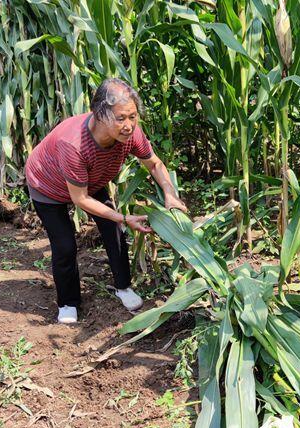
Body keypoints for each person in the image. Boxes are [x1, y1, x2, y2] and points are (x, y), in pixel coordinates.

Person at [25, 78, 187, 324]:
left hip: (91, 180)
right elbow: (80, 199)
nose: (129, 125)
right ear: (99, 115)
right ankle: (68, 303)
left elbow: (154, 163)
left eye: (133, 117)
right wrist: (124, 216)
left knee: (113, 230)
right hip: (47, 185)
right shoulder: (74, 144)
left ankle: (123, 287)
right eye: (121, 118)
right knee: (65, 245)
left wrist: (170, 194)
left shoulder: (130, 134)